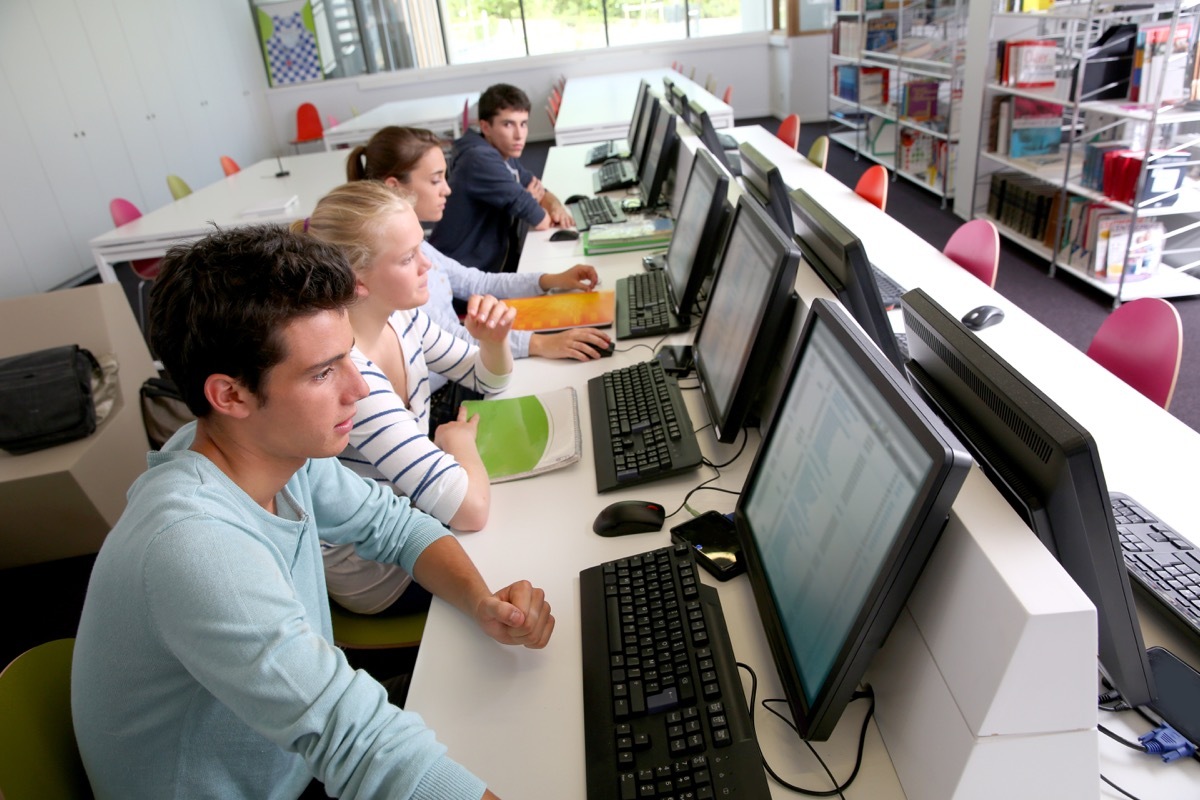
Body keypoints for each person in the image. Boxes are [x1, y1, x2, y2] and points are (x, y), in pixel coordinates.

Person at [70, 223, 554, 800]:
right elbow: (355, 743)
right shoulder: (193, 545)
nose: (360, 389)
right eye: (323, 373)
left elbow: (394, 526)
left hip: (293, 758)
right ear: (232, 395)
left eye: (348, 356)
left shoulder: (278, 450)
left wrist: (480, 601)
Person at [297, 182, 510, 615]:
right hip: (379, 571)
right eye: (408, 257)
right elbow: (470, 511)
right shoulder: (353, 376)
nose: (427, 265)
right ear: (358, 283)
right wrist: (459, 446)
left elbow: (486, 377)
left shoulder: (403, 319)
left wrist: (493, 342)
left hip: (414, 519)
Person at [349, 125, 610, 367]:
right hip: (453, 378)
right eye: (435, 180)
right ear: (394, 187)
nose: (447, 190)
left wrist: (550, 280)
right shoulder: (391, 266)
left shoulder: (419, 248)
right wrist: (541, 343)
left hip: (465, 362)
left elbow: (477, 282)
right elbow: (448, 339)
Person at [429, 83, 573, 272]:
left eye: (523, 124)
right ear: (485, 127)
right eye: (508, 124)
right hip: (465, 276)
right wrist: (528, 199)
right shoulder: (479, 159)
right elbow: (540, 219)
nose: (519, 135)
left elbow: (537, 188)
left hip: (494, 264)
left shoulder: (502, 153)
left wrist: (555, 206)